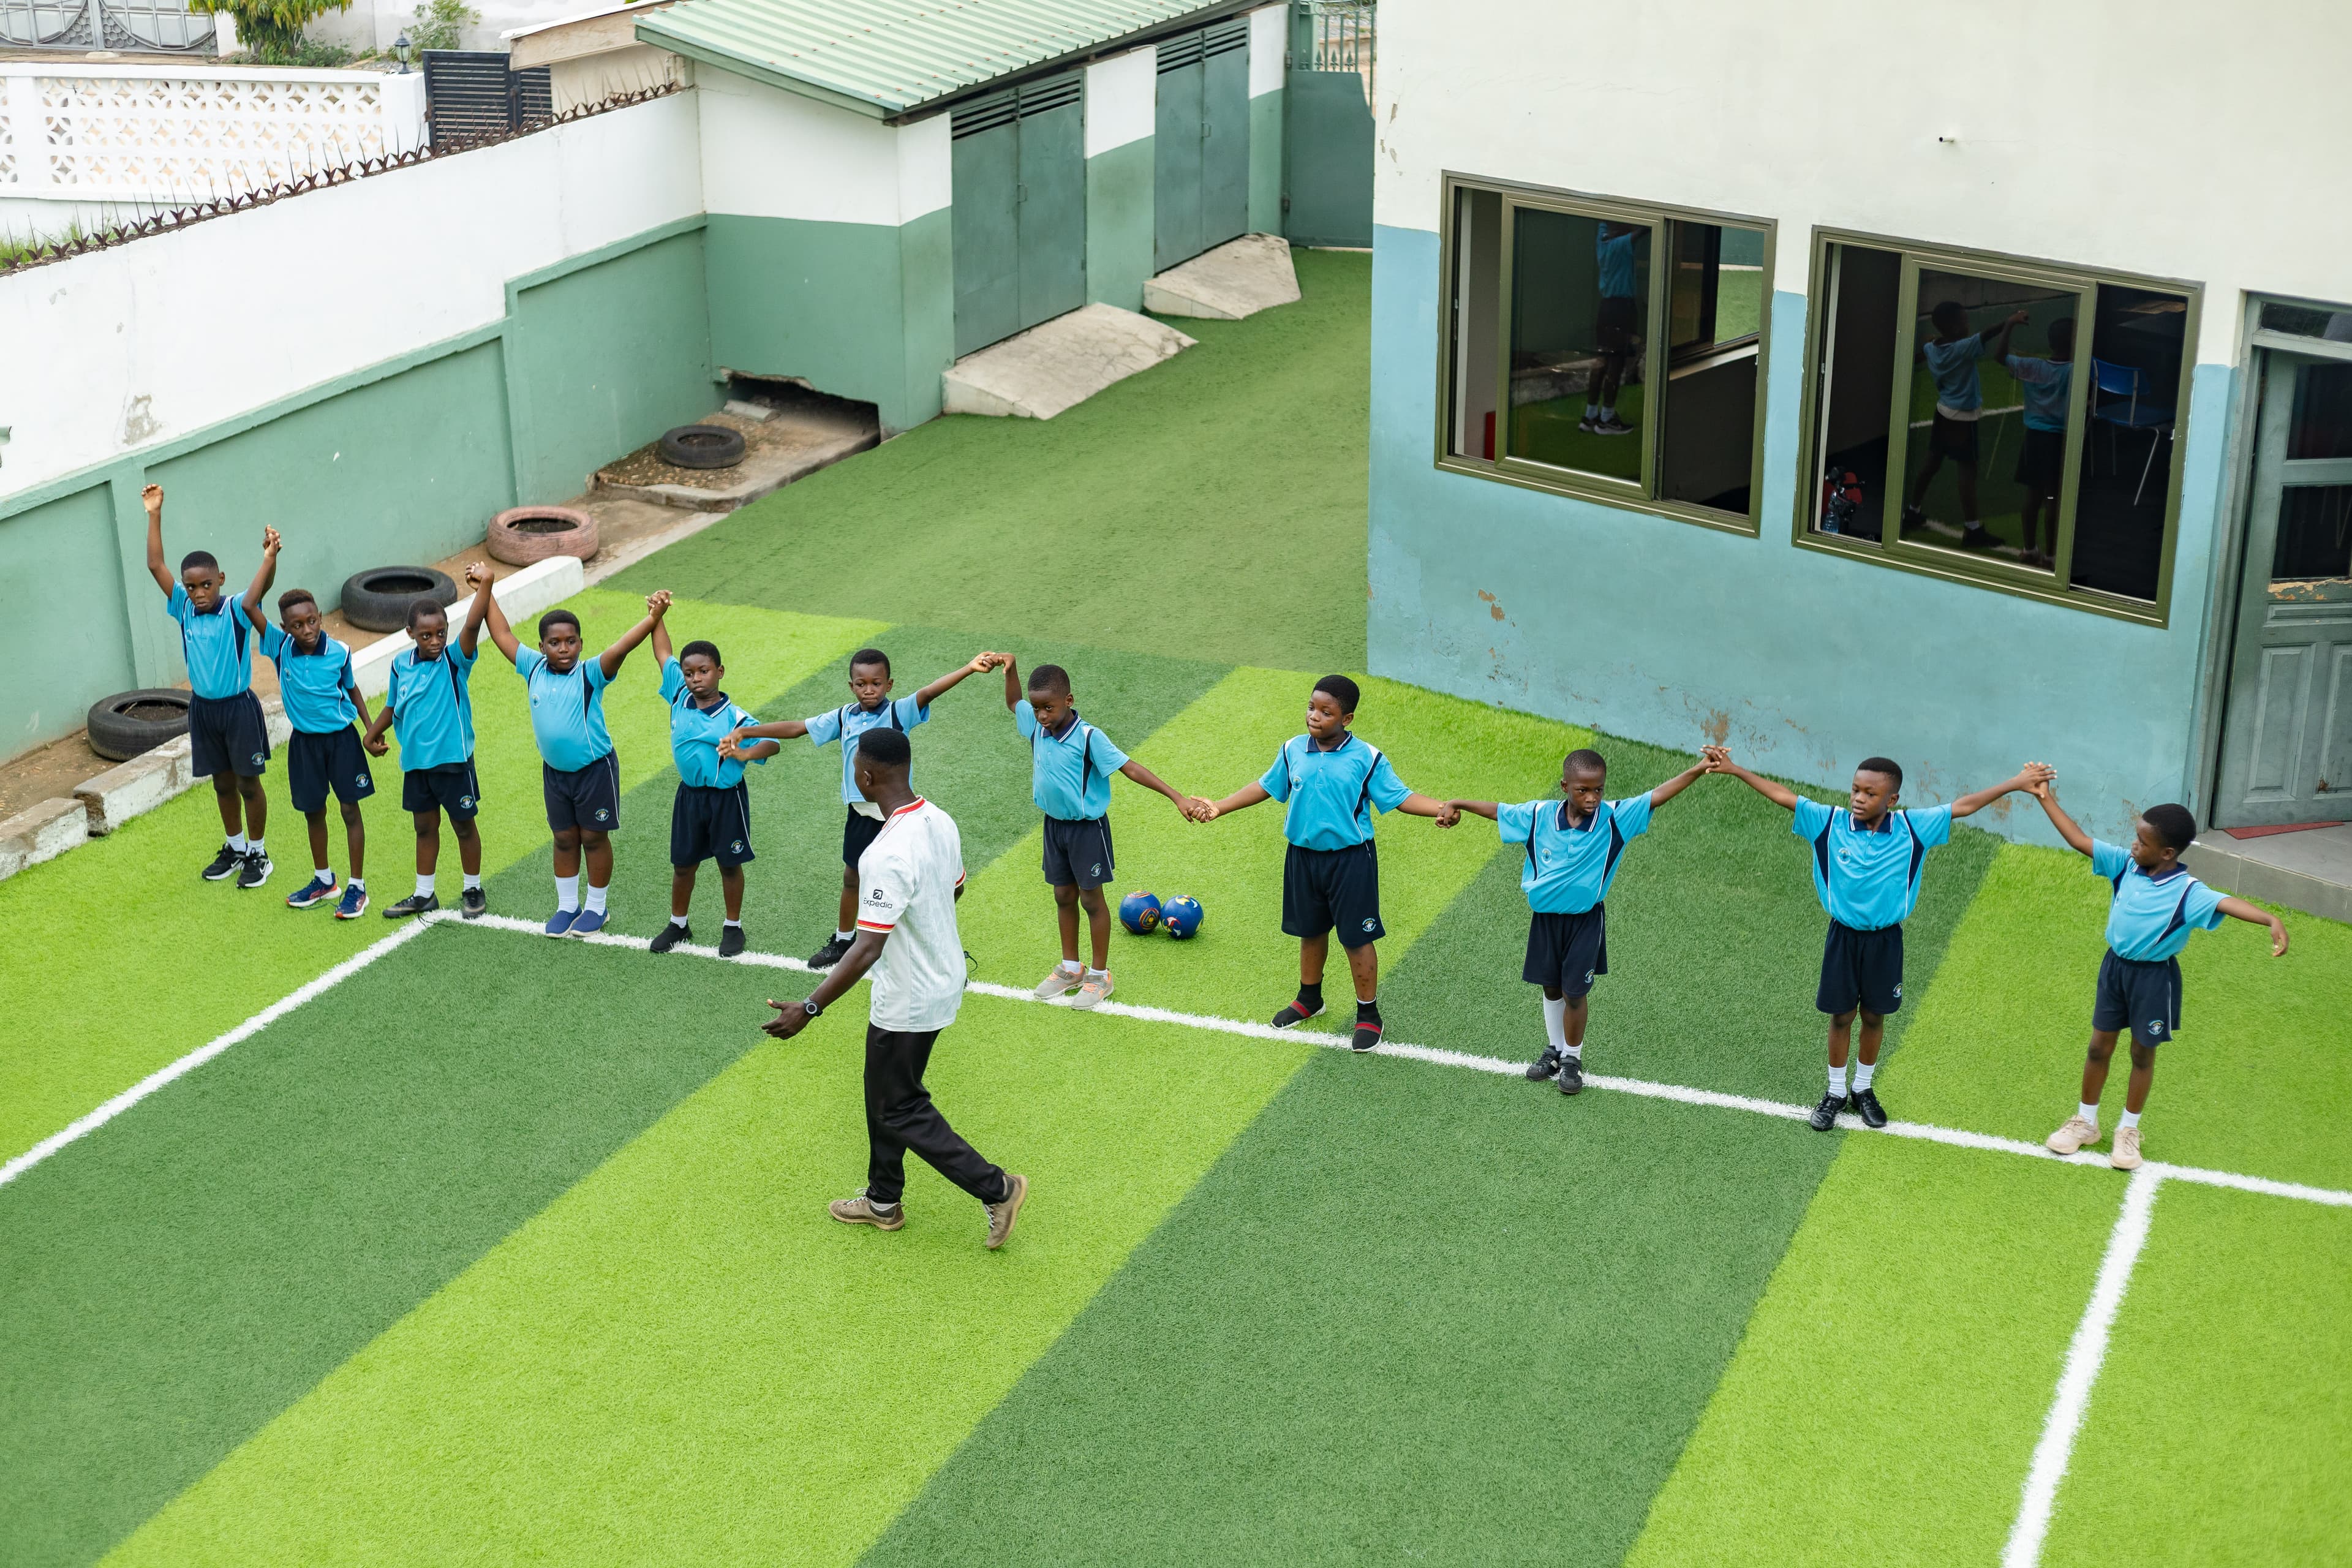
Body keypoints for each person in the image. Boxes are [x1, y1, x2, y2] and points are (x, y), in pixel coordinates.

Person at [761, 728, 1029, 1250]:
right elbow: (955, 888)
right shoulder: (939, 819)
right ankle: (883, 1200)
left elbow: (865, 949)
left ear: (866, 776)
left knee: (898, 1105)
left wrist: (809, 1008)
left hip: (909, 996)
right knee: (884, 1090)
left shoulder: (883, 853)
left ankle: (998, 1188)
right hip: (941, 977)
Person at [1705, 747, 2049, 1130]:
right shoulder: (1829, 823)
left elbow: (1963, 806)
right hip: (1843, 938)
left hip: (1885, 941)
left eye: (1870, 793)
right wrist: (1736, 770)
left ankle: (1863, 1089)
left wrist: (2015, 783)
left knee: (1873, 1015)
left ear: (1892, 800)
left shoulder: (1913, 829)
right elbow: (1785, 796)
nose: (1858, 798)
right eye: (1856, 790)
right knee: (1841, 1016)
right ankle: (1835, 1092)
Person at [2029, 777, 2288, 1170]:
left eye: (2142, 842)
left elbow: (2228, 903)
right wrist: (2045, 797)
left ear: (2167, 853)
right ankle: (2085, 1122)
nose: (2134, 845)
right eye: (2136, 837)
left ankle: (2128, 1131)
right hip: (2114, 970)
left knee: (2141, 1053)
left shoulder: (2188, 892)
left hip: (2154, 980)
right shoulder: (2125, 866)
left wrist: (2270, 919)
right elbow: (2079, 840)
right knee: (2099, 1047)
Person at [1194, 676, 1460, 1052]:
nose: (1314, 716)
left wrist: (1441, 808)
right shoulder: (1292, 750)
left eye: (1326, 712)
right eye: (1311, 707)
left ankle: (1368, 1015)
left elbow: (1400, 797)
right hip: (1302, 858)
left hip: (1351, 861)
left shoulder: (1367, 758)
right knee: (1311, 930)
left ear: (1346, 719)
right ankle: (1309, 999)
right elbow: (1266, 786)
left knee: (1357, 938)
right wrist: (1220, 807)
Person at [1446, 748, 1712, 1093]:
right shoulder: (1539, 815)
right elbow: (1499, 811)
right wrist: (1459, 803)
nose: (1592, 798)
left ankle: (1572, 1059)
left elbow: (1656, 796)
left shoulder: (1615, 819)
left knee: (1574, 992)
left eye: (1598, 789)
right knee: (1550, 986)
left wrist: (1698, 769)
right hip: (1545, 920)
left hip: (1585, 921)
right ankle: (1555, 1050)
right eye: (1582, 790)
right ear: (1565, 787)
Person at [722, 646, 1003, 969]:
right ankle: (844, 941)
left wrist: (968, 668)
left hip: (895, 819)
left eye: (876, 683)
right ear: (851, 686)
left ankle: (923, 943)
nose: (869, 690)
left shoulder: (899, 713)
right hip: (860, 814)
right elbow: (798, 728)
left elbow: (928, 692)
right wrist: (746, 731)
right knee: (852, 877)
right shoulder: (844, 716)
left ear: (889, 684)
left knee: (909, 881)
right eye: (861, 684)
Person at [1002, 655, 1205, 1010]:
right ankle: (1070, 968)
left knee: (1091, 900)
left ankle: (1099, 975)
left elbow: (1130, 768)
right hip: (1054, 827)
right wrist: (1011, 668)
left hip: (1087, 831)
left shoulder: (1088, 737)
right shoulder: (1036, 727)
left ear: (1069, 700)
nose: (1041, 715)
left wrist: (1177, 797)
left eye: (1048, 708)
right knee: (1063, 896)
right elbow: (1013, 702)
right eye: (1037, 709)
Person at [478, 588, 667, 937]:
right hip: (555, 774)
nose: (563, 649)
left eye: (571, 642)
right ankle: (568, 907)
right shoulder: (532, 667)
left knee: (593, 838)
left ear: (581, 644)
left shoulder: (590, 674)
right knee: (564, 837)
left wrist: (653, 618)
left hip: (595, 771)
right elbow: (501, 632)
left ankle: (597, 908)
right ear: (542, 646)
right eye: (554, 643)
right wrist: (485, 587)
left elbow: (621, 648)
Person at [143, 485, 277, 888]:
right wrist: (154, 513)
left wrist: (269, 558)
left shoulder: (236, 609)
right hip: (203, 710)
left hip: (238, 709)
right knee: (222, 782)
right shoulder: (183, 609)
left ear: (220, 580)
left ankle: (258, 853)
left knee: (248, 782)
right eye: (191, 586)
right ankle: (235, 847)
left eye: (205, 585)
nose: (198, 593)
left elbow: (260, 591)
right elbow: (155, 565)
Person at [362, 568, 494, 920]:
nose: (435, 641)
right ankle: (424, 894)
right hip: (417, 764)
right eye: (426, 635)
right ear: (410, 633)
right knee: (424, 827)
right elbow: (394, 706)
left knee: (463, 825)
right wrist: (371, 733)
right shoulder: (400, 665)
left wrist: (486, 584)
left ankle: (473, 889)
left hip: (453, 762)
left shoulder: (454, 660)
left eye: (441, 633)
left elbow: (472, 626)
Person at [650, 622, 778, 959]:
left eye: (704, 671)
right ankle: (679, 924)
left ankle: (733, 926)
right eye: (689, 673)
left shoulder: (736, 718)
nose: (696, 679)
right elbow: (663, 653)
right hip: (689, 797)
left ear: (719, 672)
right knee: (683, 865)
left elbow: (772, 743)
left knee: (729, 865)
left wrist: (745, 753)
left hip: (726, 799)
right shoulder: (679, 696)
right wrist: (657, 617)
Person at [252, 586, 377, 918]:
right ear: (285, 628)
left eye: (312, 621)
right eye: (297, 625)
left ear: (320, 617)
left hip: (342, 741)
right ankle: (324, 880)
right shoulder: (280, 649)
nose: (307, 630)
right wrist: (270, 561)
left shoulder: (339, 652)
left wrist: (370, 730)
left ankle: (357, 886)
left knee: (349, 810)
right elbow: (250, 605)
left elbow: (352, 689)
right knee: (313, 812)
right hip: (305, 745)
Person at [1904, 303, 2028, 551]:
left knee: (1931, 463)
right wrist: (2010, 321)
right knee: (1967, 473)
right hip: (1963, 419)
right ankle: (1972, 529)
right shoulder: (1962, 348)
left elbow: (1927, 348)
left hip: (1943, 413)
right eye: (1964, 321)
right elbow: (1986, 335)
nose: (1968, 325)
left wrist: (1933, 342)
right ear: (1953, 327)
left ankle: (1912, 511)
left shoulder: (1931, 348)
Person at [2006, 318, 2075, 570]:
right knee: (2053, 496)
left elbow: (2001, 357)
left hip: (2033, 440)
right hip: (2056, 442)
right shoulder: (2074, 371)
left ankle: (2029, 549)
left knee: (2033, 495)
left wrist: (2009, 327)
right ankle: (2052, 556)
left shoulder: (2033, 366)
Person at [1584, 221, 1643, 437]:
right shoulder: (1621, 244)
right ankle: (1606, 419)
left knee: (1601, 362)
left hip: (1606, 308)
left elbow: (1608, 224)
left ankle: (1590, 416)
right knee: (1615, 363)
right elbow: (1644, 229)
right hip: (1620, 309)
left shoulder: (1602, 237)